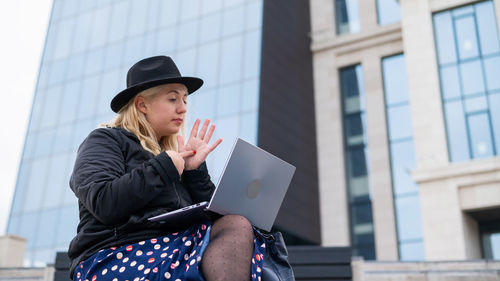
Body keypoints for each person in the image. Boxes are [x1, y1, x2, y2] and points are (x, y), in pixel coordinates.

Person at [68, 56, 266, 281]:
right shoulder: (104, 140)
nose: (182, 109)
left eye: (185, 100)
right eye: (173, 99)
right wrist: (163, 168)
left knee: (235, 224)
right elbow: (103, 201)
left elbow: (213, 221)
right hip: (115, 254)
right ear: (142, 105)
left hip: (172, 248)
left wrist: (194, 172)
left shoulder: (173, 158)